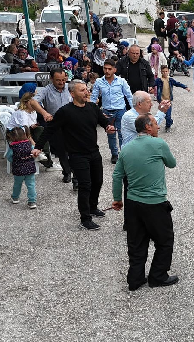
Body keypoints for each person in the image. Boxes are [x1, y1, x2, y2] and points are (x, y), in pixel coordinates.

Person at [33, 80, 116, 230]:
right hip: (77, 155)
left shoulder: (93, 107)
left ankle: (92, 207)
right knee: (85, 185)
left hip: (94, 152)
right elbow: (49, 129)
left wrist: (108, 126)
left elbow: (103, 121)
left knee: (98, 181)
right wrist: (38, 146)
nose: (86, 92)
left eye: (86, 89)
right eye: (82, 90)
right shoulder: (65, 112)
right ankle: (85, 219)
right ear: (72, 94)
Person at [112, 113, 179, 291]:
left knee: (136, 242)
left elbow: (117, 175)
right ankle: (158, 276)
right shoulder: (158, 144)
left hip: (133, 203)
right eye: (156, 124)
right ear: (148, 127)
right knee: (164, 240)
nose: (158, 127)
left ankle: (135, 279)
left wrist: (118, 198)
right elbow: (172, 163)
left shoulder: (126, 149)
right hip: (155, 203)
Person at [31, 70, 74, 183]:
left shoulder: (70, 88)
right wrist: (44, 113)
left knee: (74, 148)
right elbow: (33, 102)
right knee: (61, 149)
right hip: (55, 123)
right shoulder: (46, 90)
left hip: (71, 122)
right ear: (51, 79)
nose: (61, 83)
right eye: (58, 80)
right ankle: (67, 172)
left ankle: (76, 173)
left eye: (63, 80)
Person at [91, 59, 135, 163]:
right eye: (105, 69)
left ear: (114, 70)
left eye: (109, 69)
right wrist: (93, 111)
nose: (107, 71)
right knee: (110, 134)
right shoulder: (99, 82)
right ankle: (114, 154)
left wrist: (134, 110)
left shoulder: (121, 81)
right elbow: (94, 97)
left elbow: (129, 96)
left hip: (120, 110)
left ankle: (123, 153)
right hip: (107, 111)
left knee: (121, 133)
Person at [7, 127, 38, 209]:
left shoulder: (12, 146)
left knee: (17, 184)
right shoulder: (29, 144)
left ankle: (15, 197)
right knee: (31, 185)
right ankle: (32, 201)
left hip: (18, 168)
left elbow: (9, 157)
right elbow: (33, 152)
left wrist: (13, 160)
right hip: (30, 168)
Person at [154, 65, 189, 132]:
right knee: (163, 114)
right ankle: (169, 122)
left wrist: (185, 87)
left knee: (168, 115)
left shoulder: (170, 80)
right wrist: (150, 88)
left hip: (168, 101)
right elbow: (153, 84)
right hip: (161, 101)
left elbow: (177, 84)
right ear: (161, 72)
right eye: (163, 71)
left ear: (168, 71)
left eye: (166, 71)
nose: (165, 73)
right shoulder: (158, 80)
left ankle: (168, 126)